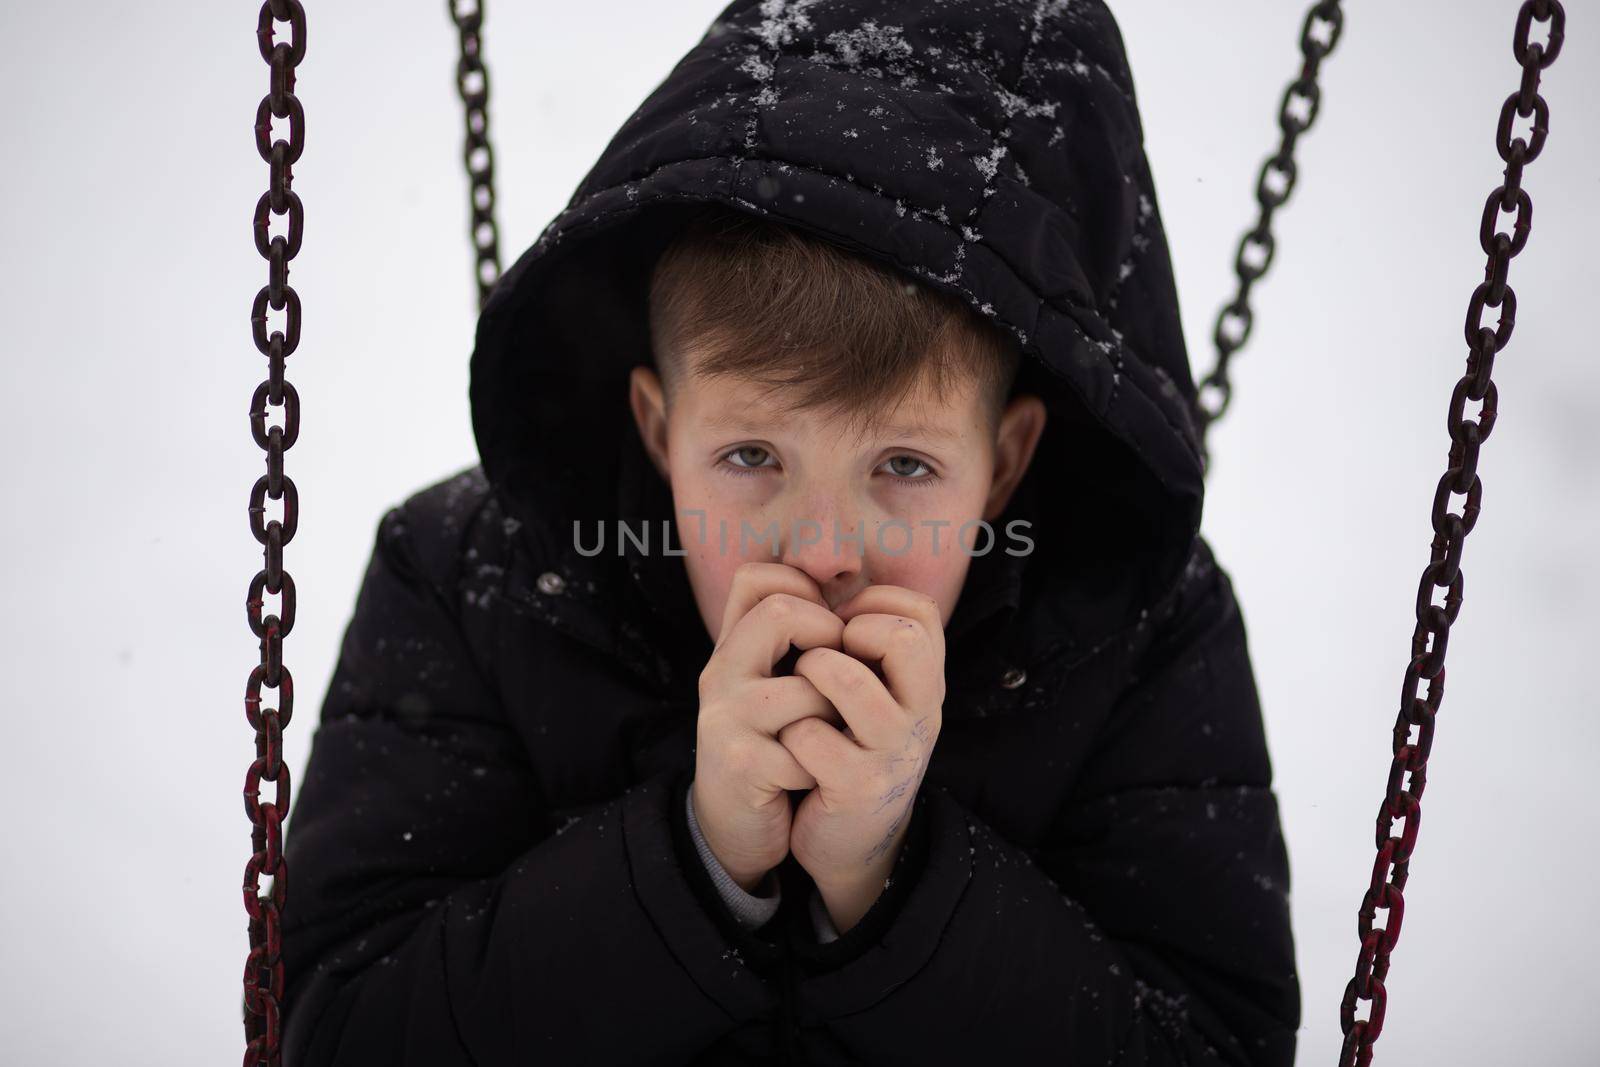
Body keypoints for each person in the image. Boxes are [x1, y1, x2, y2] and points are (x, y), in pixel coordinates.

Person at [279, 1, 1300, 1063]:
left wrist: (890, 882)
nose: (821, 549)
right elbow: (337, 1031)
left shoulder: (1132, 635)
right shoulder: (471, 581)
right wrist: (695, 858)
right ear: (660, 429)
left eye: (903, 465)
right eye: (752, 457)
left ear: (1002, 463)